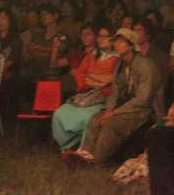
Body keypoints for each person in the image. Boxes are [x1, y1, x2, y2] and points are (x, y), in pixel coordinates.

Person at [65, 28, 162, 166]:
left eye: (120, 41)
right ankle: (84, 153)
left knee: (112, 123)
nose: (116, 44)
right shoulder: (120, 66)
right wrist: (109, 109)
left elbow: (142, 100)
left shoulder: (146, 66)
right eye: (115, 41)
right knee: (96, 119)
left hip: (145, 110)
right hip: (126, 105)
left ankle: (94, 161)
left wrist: (115, 112)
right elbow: (115, 92)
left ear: (130, 45)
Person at [52, 25, 119, 152]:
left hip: (104, 98)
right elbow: (80, 75)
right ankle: (67, 147)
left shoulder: (117, 59)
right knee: (59, 113)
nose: (100, 39)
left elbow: (112, 78)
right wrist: (98, 83)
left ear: (112, 39)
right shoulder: (91, 57)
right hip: (86, 95)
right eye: (99, 36)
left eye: (104, 36)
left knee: (88, 117)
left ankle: (84, 149)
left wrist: (93, 78)